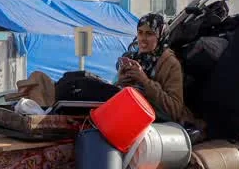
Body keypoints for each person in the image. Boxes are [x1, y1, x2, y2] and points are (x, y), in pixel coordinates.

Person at [18, 13, 190, 124]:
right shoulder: (135, 57)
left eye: (150, 34)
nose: (143, 39)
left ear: (159, 35)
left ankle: (44, 104)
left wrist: (144, 80)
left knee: (84, 86)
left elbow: (174, 109)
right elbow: (120, 87)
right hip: (127, 104)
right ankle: (43, 103)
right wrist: (122, 80)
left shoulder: (169, 63)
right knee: (74, 78)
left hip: (147, 113)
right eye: (140, 33)